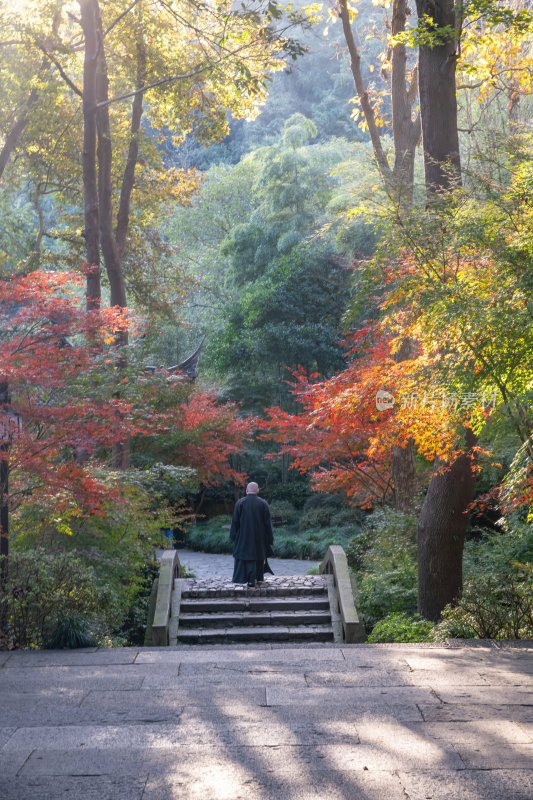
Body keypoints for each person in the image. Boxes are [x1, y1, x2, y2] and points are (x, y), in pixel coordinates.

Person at [230, 481, 274, 587]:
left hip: (243, 537)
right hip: (259, 538)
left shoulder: (240, 503)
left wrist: (234, 537)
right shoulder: (263, 503)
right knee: (257, 558)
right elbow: (268, 524)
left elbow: (235, 522)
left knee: (245, 558)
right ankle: (257, 578)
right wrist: (270, 539)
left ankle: (247, 579)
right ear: (257, 490)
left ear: (246, 490)